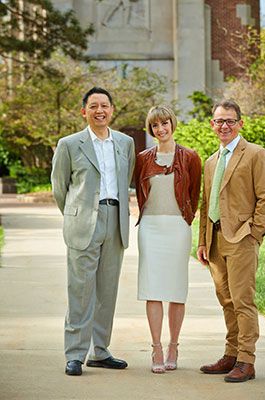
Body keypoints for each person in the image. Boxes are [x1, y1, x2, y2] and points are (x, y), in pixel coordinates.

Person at [51, 87, 135, 376]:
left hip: (115, 220)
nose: (100, 110)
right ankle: (75, 353)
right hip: (84, 221)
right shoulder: (69, 144)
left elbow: (127, 180)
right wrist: (76, 215)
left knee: (107, 290)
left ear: (112, 110)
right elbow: (59, 188)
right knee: (81, 290)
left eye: (105, 105)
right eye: (94, 106)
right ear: (83, 111)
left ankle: (100, 352)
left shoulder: (125, 143)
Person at [197, 99, 265, 382]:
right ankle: (231, 355)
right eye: (219, 121)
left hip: (242, 238)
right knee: (226, 301)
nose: (224, 126)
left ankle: (246, 361)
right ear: (212, 125)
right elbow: (206, 204)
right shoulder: (210, 161)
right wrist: (203, 241)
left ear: (240, 123)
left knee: (243, 301)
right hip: (216, 240)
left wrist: (254, 233)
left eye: (230, 120)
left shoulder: (255, 154)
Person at [134, 105, 201, 373]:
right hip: (150, 227)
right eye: (155, 126)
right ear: (150, 130)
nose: (160, 130)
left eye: (164, 124)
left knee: (175, 290)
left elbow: (194, 194)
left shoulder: (190, 157)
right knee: (152, 289)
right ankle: (156, 348)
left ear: (173, 124)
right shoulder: (142, 158)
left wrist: (185, 220)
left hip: (178, 227)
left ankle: (174, 345)